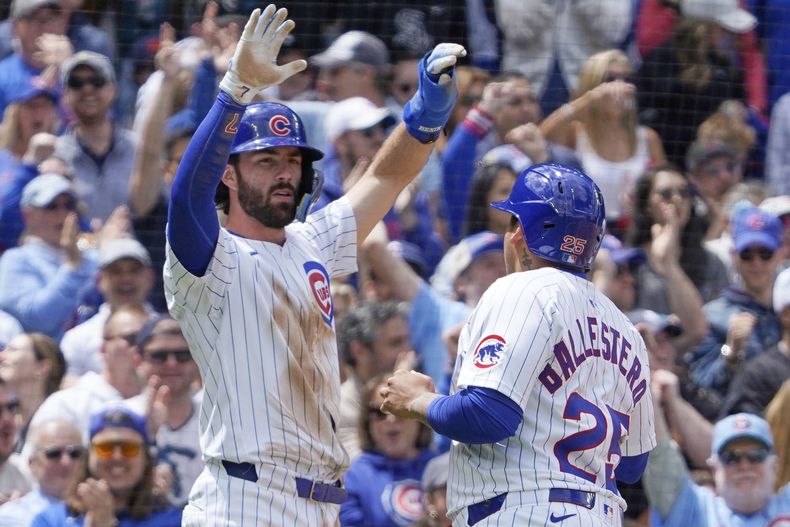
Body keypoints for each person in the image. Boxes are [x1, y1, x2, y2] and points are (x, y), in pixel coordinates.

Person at [161, 4, 465, 525]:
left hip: (321, 501)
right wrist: (234, 91)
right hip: (244, 500)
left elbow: (385, 180)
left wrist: (424, 117)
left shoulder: (310, 242)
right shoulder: (209, 258)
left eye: (293, 161)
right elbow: (186, 199)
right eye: (266, 160)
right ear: (228, 176)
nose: (285, 173)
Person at [380, 163, 656, 526]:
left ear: (518, 233)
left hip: (526, 512)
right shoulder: (627, 330)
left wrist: (418, 401)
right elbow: (632, 464)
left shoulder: (523, 288)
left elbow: (487, 414)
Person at [644, 395, 790, 526]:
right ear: (714, 468)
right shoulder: (693, 507)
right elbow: (660, 453)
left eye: (756, 456)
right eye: (731, 458)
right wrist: (650, 392)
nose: (744, 465)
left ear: (774, 465)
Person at [30, 406, 182, 526]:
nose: (117, 456)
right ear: (89, 456)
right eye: (106, 447)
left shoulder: (173, 520)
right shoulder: (50, 520)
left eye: (129, 448)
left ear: (146, 459)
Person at [339, 374, 438, 526]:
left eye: (401, 411)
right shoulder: (352, 477)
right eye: (380, 412)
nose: (391, 419)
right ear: (368, 421)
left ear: (420, 416)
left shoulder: (445, 468)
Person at [0, 419, 83, 527]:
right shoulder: (11, 518)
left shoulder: (101, 510)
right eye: (54, 453)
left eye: (74, 453)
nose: (66, 462)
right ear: (32, 463)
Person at [0, 332, 65, 448]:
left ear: (41, 367)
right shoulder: (7, 417)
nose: (1, 356)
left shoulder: (58, 418)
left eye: (13, 350)